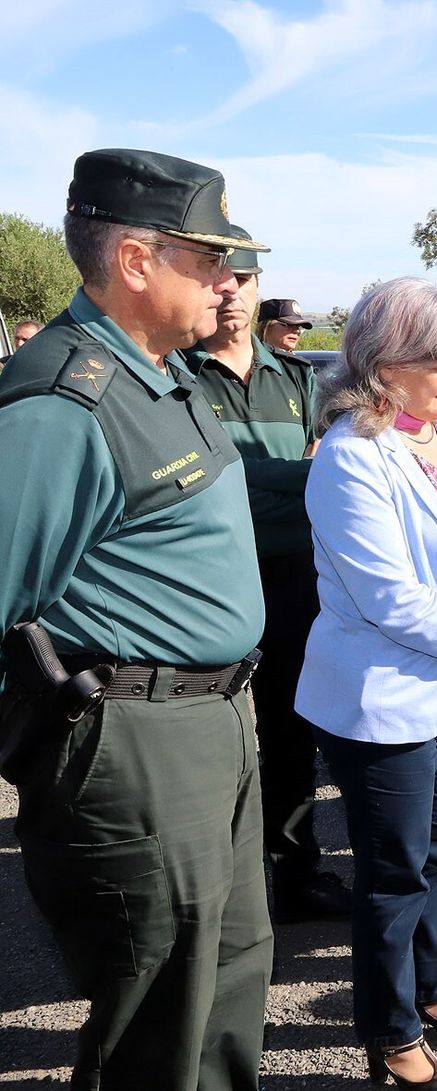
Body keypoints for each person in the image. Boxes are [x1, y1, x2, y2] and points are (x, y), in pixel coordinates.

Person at [0, 148, 273, 1089]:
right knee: (160, 1021)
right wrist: (50, 746)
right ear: (135, 262)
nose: (229, 280)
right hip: (139, 742)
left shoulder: (160, 371)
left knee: (227, 986)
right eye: (208, 259)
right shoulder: (63, 403)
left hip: (213, 722)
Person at [297, 278, 437, 1090]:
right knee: (394, 873)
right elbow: (390, 597)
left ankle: (431, 987)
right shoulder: (349, 456)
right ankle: (389, 1030)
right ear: (384, 363)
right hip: (381, 695)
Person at [181, 227, 351, 922]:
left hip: (294, 580)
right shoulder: (179, 376)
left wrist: (270, 477)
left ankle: (295, 872)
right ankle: (215, 888)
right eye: (220, 281)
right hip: (214, 579)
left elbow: (311, 465)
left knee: (290, 732)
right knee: (211, 741)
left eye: (243, 282)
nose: (231, 295)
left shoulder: (296, 377)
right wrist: (301, 476)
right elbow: (212, 478)